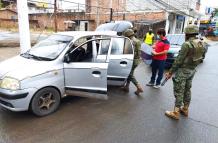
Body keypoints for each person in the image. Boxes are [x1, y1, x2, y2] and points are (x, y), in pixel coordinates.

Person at [164, 25, 206, 120]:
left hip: (183, 70)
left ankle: (175, 112)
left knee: (179, 91)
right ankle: (185, 109)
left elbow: (179, 60)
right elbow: (202, 56)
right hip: (192, 70)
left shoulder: (187, 44)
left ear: (187, 33)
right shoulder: (201, 43)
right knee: (187, 89)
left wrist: (170, 72)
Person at [122, 29, 143, 96]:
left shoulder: (130, 42)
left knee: (130, 75)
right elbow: (139, 52)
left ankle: (138, 87)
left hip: (131, 60)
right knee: (130, 73)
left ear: (127, 35)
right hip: (137, 60)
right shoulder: (138, 41)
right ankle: (127, 87)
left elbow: (126, 52)